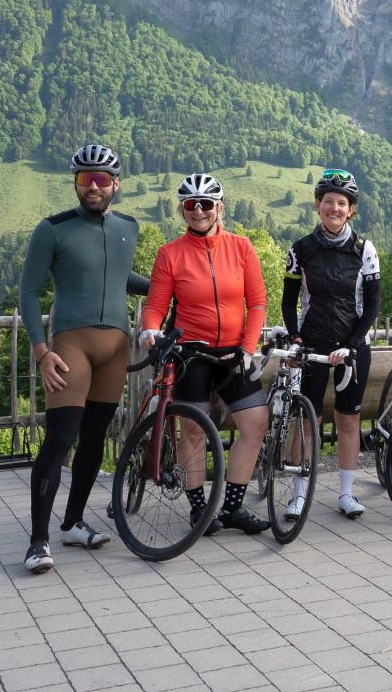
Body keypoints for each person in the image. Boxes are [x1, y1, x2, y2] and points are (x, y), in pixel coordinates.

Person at [18, 145, 151, 574]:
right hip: (70, 346)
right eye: (84, 180)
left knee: (95, 441)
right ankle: (38, 542)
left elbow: (120, 277)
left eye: (101, 179)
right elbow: (29, 293)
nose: (93, 187)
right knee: (59, 441)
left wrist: (171, 286)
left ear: (116, 184)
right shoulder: (52, 229)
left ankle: (73, 523)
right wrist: (42, 350)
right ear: (75, 183)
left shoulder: (129, 228)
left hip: (116, 347)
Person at [139, 173, 270, 536]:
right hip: (191, 354)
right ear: (182, 210)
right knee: (194, 431)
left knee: (256, 423)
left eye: (206, 204)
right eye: (190, 205)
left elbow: (257, 303)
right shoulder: (170, 253)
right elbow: (156, 306)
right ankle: (200, 509)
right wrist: (150, 329)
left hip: (233, 352)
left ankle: (231, 507)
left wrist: (247, 347)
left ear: (219, 208)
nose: (198, 211)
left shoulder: (241, 247)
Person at [282, 169, 381, 520]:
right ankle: (298, 494)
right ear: (317, 205)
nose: (334, 208)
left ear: (351, 209)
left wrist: (354, 345)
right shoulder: (301, 249)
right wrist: (296, 339)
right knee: (307, 419)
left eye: (342, 203)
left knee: (348, 421)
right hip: (313, 343)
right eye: (328, 202)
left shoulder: (364, 249)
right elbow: (288, 300)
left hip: (352, 346)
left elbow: (372, 305)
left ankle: (346, 493)